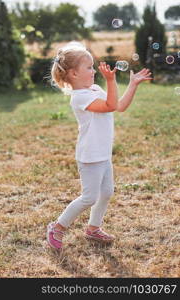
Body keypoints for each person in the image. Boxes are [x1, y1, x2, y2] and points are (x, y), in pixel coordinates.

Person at [47, 43, 152, 251]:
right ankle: (57, 227)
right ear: (74, 73)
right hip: (90, 156)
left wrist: (132, 85)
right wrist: (111, 81)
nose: (94, 71)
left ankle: (93, 228)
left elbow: (119, 106)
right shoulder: (80, 97)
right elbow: (110, 106)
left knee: (106, 192)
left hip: (103, 153)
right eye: (89, 67)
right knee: (89, 197)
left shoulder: (94, 89)